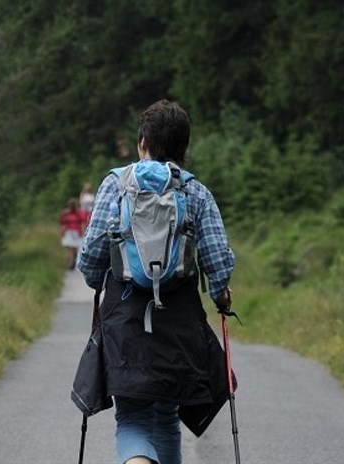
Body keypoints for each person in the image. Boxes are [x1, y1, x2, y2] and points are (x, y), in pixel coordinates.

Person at [77, 99, 235, 464]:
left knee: (132, 416)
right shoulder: (195, 191)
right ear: (184, 147)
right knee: (166, 416)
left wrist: (100, 279)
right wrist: (222, 296)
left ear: (141, 141)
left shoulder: (115, 185)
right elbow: (217, 264)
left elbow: (89, 262)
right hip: (178, 321)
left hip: (126, 315)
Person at [59, 198, 85, 270]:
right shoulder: (66, 213)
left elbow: (82, 223)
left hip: (74, 232)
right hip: (70, 232)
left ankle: (72, 260)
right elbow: (62, 223)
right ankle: (72, 261)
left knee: (72, 248)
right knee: (70, 247)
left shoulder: (78, 213)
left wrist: (83, 232)